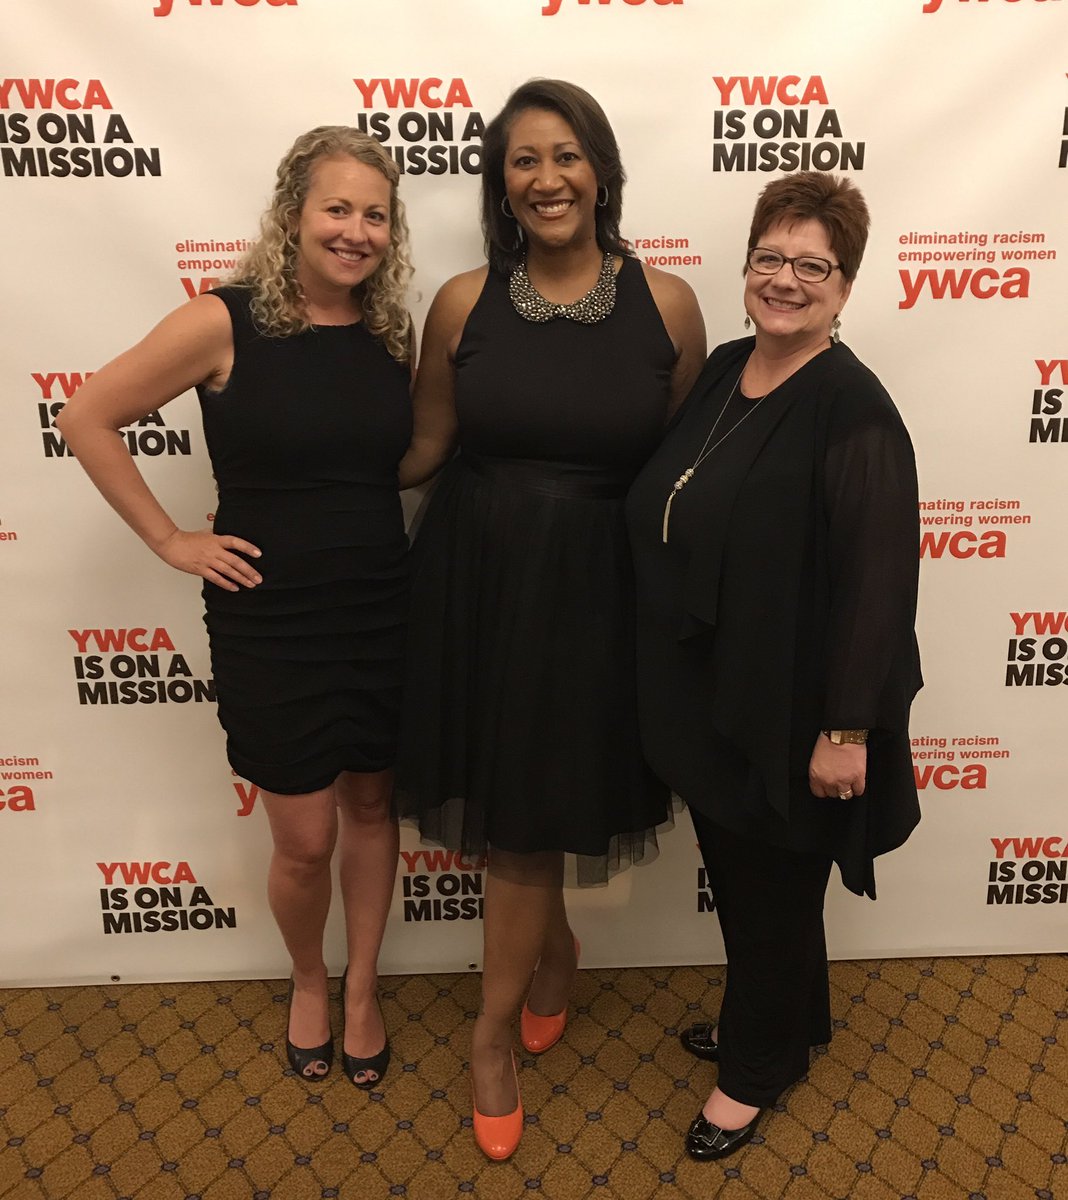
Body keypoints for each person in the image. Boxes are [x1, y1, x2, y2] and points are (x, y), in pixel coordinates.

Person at [56, 127, 414, 1090]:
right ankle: (309, 978)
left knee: (372, 807)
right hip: (270, 618)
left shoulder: (391, 331)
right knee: (304, 838)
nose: (356, 231)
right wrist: (170, 540)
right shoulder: (225, 320)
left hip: (381, 604)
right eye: (336, 208)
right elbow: (84, 416)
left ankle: (364, 986)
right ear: (293, 213)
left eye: (375, 215)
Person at [395, 79, 706, 1159]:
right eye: (523, 159)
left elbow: (683, 472)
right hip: (477, 584)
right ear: (501, 183)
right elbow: (423, 447)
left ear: (602, 171)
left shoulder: (669, 304)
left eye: (565, 154)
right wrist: (297, 481)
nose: (546, 178)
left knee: (536, 807)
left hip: (599, 596)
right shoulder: (460, 301)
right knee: (520, 816)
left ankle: (529, 982)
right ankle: (506, 1021)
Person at [626, 172, 922, 1161]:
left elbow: (879, 586)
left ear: (845, 288)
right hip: (720, 689)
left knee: (768, 896)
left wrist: (846, 730)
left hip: (797, 707)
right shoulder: (725, 366)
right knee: (759, 884)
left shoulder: (854, 409)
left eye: (812, 266)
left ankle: (756, 1071)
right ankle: (795, 1021)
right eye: (770, 258)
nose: (785, 280)